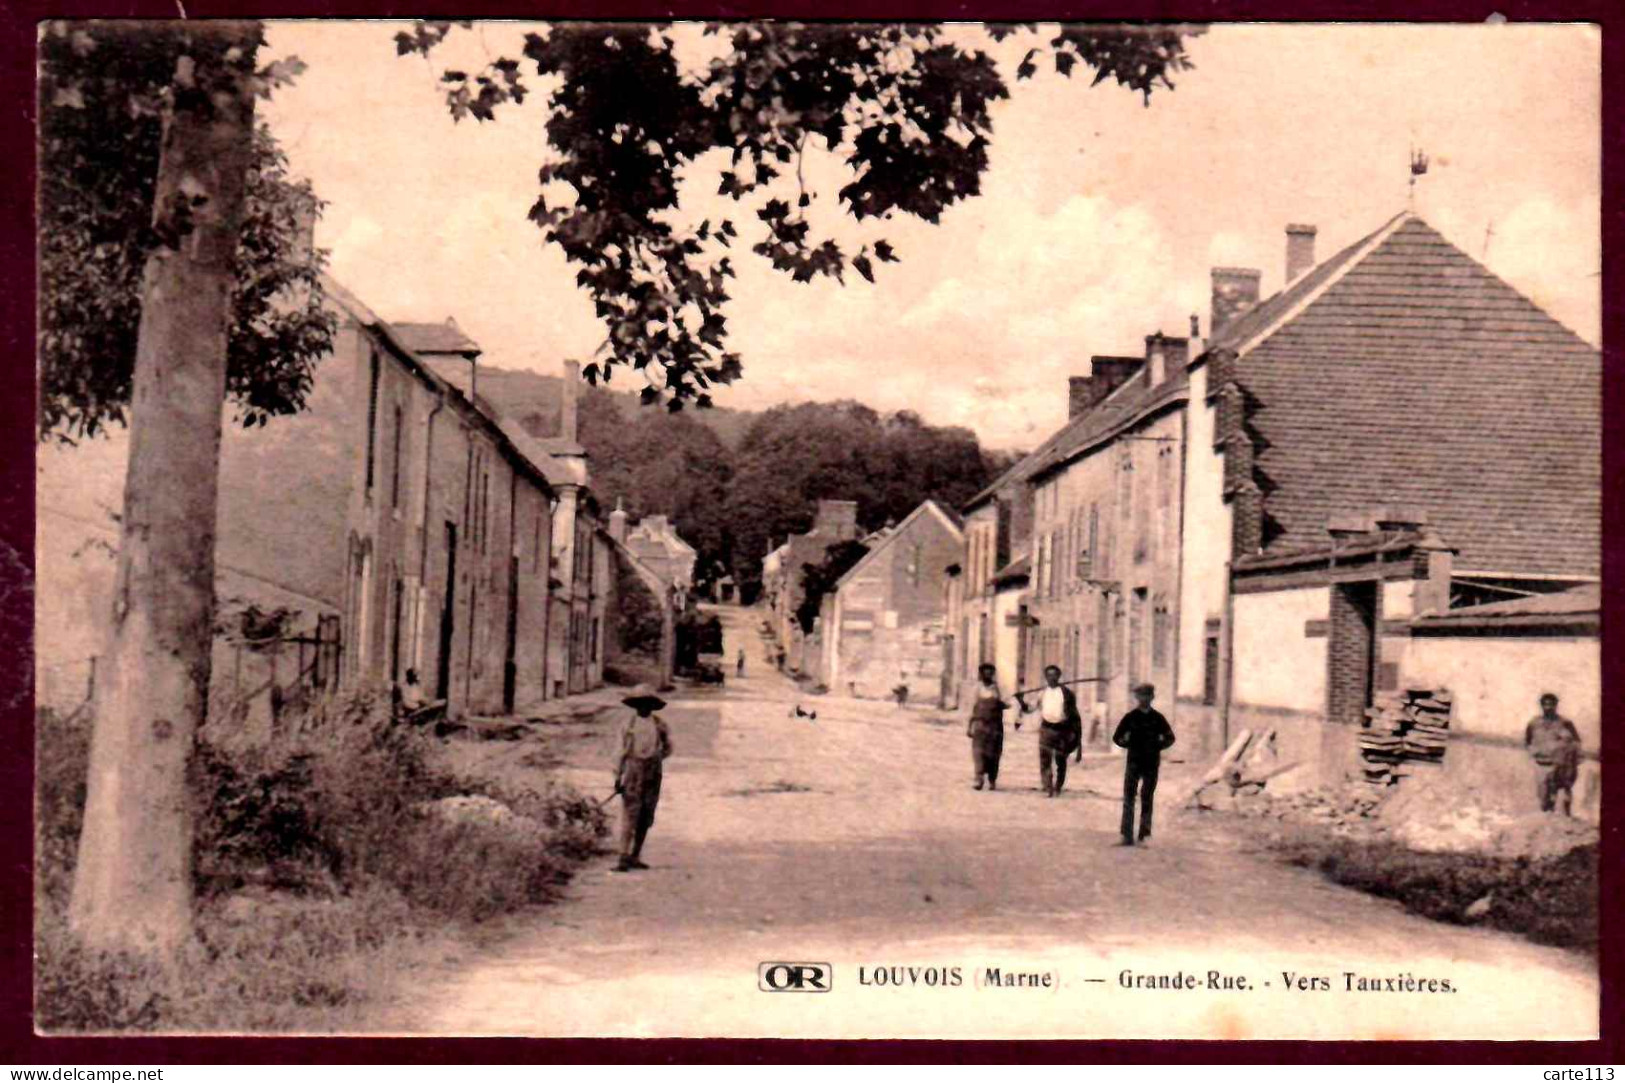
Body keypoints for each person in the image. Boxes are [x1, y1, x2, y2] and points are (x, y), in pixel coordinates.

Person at [612, 685, 673, 872]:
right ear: (635, 705)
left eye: (647, 704)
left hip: (653, 774)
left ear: (652, 706)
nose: (643, 707)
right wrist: (618, 777)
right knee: (630, 814)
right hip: (632, 772)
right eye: (640, 704)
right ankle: (623, 856)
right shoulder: (628, 726)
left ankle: (635, 855)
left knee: (646, 815)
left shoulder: (659, 725)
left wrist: (656, 758)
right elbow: (619, 753)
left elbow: (668, 747)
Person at [1114, 682, 1176, 845]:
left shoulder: (1158, 718)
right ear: (1136, 697)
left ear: (1152, 697)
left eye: (1147, 696)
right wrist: (1128, 745)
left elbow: (1170, 737)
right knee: (1129, 798)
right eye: (1141, 696)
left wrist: (1157, 747)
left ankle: (1144, 835)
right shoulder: (1130, 717)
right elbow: (1117, 737)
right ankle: (1126, 835)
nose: (1144, 699)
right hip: (1133, 761)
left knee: (1147, 797)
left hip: (1151, 762)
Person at [1016, 665, 1083, 797]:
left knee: (1060, 760)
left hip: (1062, 730)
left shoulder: (1067, 693)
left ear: (1059, 676)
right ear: (1046, 677)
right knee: (1045, 759)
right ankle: (1048, 786)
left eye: (1054, 675)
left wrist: (1076, 737)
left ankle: (1058, 785)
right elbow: (1029, 709)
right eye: (1049, 675)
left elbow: (1075, 715)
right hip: (1046, 729)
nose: (1052, 678)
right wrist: (1021, 701)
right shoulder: (1042, 693)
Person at [1524, 692, 1581, 815]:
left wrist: (1572, 761)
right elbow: (1527, 740)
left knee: (1562, 791)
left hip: (1559, 764)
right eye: (1545, 704)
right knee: (1543, 796)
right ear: (1541, 705)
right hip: (1540, 763)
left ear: (1556, 705)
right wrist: (1532, 752)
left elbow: (1576, 741)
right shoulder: (1534, 723)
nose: (1548, 707)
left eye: (1551, 704)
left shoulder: (1565, 722)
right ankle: (1547, 818)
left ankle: (1565, 819)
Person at [966, 664, 1008, 791]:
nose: (988, 675)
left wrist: (1001, 704)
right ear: (981, 674)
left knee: (994, 753)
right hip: (980, 724)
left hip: (995, 725)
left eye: (990, 672)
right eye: (985, 673)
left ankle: (992, 779)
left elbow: (1008, 704)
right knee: (978, 752)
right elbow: (971, 708)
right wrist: (969, 726)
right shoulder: (976, 688)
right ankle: (978, 779)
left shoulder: (999, 689)